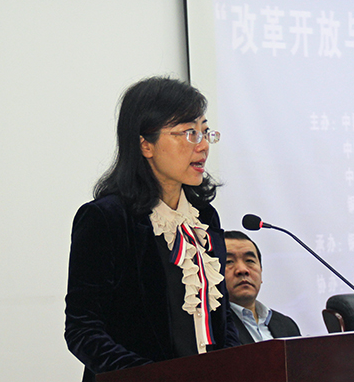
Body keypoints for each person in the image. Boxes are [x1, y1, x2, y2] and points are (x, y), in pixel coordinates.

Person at [64, 77, 240, 381]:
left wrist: (235, 367)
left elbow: (222, 316)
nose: (202, 145)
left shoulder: (204, 218)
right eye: (189, 133)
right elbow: (83, 329)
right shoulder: (106, 219)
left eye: (205, 131)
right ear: (146, 144)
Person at [224, 230, 301, 344]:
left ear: (261, 270)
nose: (242, 270)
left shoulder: (286, 325)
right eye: (229, 262)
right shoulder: (211, 327)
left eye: (250, 261)